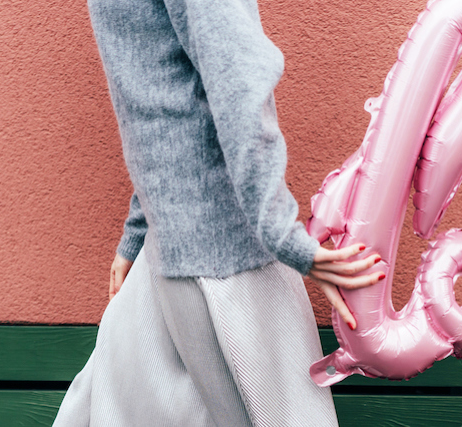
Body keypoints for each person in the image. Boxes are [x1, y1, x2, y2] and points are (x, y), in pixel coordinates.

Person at [52, 0, 382, 426]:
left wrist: (142, 223)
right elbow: (226, 79)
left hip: (186, 247)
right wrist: (285, 238)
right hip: (219, 253)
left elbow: (166, 91)